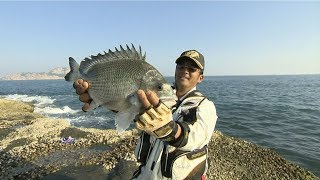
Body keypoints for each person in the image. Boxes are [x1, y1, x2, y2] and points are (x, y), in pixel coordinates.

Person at [74, 49, 218, 180]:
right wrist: (98, 100)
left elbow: (195, 138)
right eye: (181, 66)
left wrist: (169, 129)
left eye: (192, 69)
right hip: (144, 175)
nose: (185, 71)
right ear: (175, 69)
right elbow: (130, 110)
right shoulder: (156, 97)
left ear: (200, 77)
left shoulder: (204, 106)